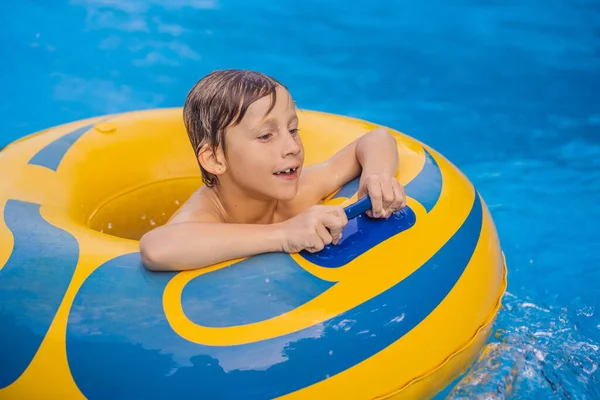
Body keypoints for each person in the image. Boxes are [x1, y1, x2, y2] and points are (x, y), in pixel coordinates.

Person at [140, 69, 406, 271]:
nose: (292, 146)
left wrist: (376, 176)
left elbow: (377, 139)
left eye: (293, 129)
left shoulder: (298, 192)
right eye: (266, 136)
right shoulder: (204, 215)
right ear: (215, 158)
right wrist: (284, 233)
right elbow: (156, 248)